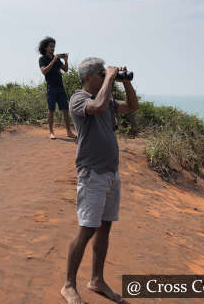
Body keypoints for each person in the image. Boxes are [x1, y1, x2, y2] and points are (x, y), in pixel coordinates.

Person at [61, 58, 138, 304]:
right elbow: (97, 106)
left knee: (105, 227)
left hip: (111, 174)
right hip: (91, 173)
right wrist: (109, 78)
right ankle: (69, 285)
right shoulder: (79, 99)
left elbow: (132, 106)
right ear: (88, 77)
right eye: (100, 73)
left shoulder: (107, 101)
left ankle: (97, 279)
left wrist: (124, 82)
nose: (105, 75)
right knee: (87, 229)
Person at [38, 36, 76, 139]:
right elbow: (44, 71)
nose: (53, 48)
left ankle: (69, 132)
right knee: (51, 110)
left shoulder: (56, 59)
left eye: (53, 47)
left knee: (65, 109)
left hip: (61, 88)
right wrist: (54, 60)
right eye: (51, 46)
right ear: (45, 48)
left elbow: (66, 69)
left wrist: (66, 60)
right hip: (51, 88)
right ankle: (51, 132)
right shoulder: (42, 59)